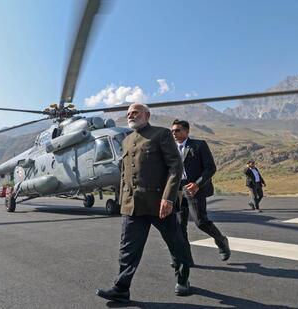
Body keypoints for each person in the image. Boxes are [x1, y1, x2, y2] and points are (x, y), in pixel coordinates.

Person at [96, 103, 193, 303]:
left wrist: (168, 198)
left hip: (159, 204)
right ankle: (121, 288)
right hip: (133, 205)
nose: (131, 115)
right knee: (128, 249)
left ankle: (182, 279)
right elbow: (124, 174)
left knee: (176, 243)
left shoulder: (161, 134)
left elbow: (176, 166)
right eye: (129, 113)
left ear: (147, 115)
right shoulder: (126, 140)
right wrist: (123, 201)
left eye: (135, 112)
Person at [170, 119, 230, 265]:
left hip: (195, 189)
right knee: (179, 225)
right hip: (177, 190)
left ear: (187, 131)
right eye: (172, 131)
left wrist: (197, 184)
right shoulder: (169, 149)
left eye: (177, 130)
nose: (174, 133)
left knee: (200, 222)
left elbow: (210, 168)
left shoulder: (199, 145)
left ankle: (221, 240)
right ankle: (185, 259)